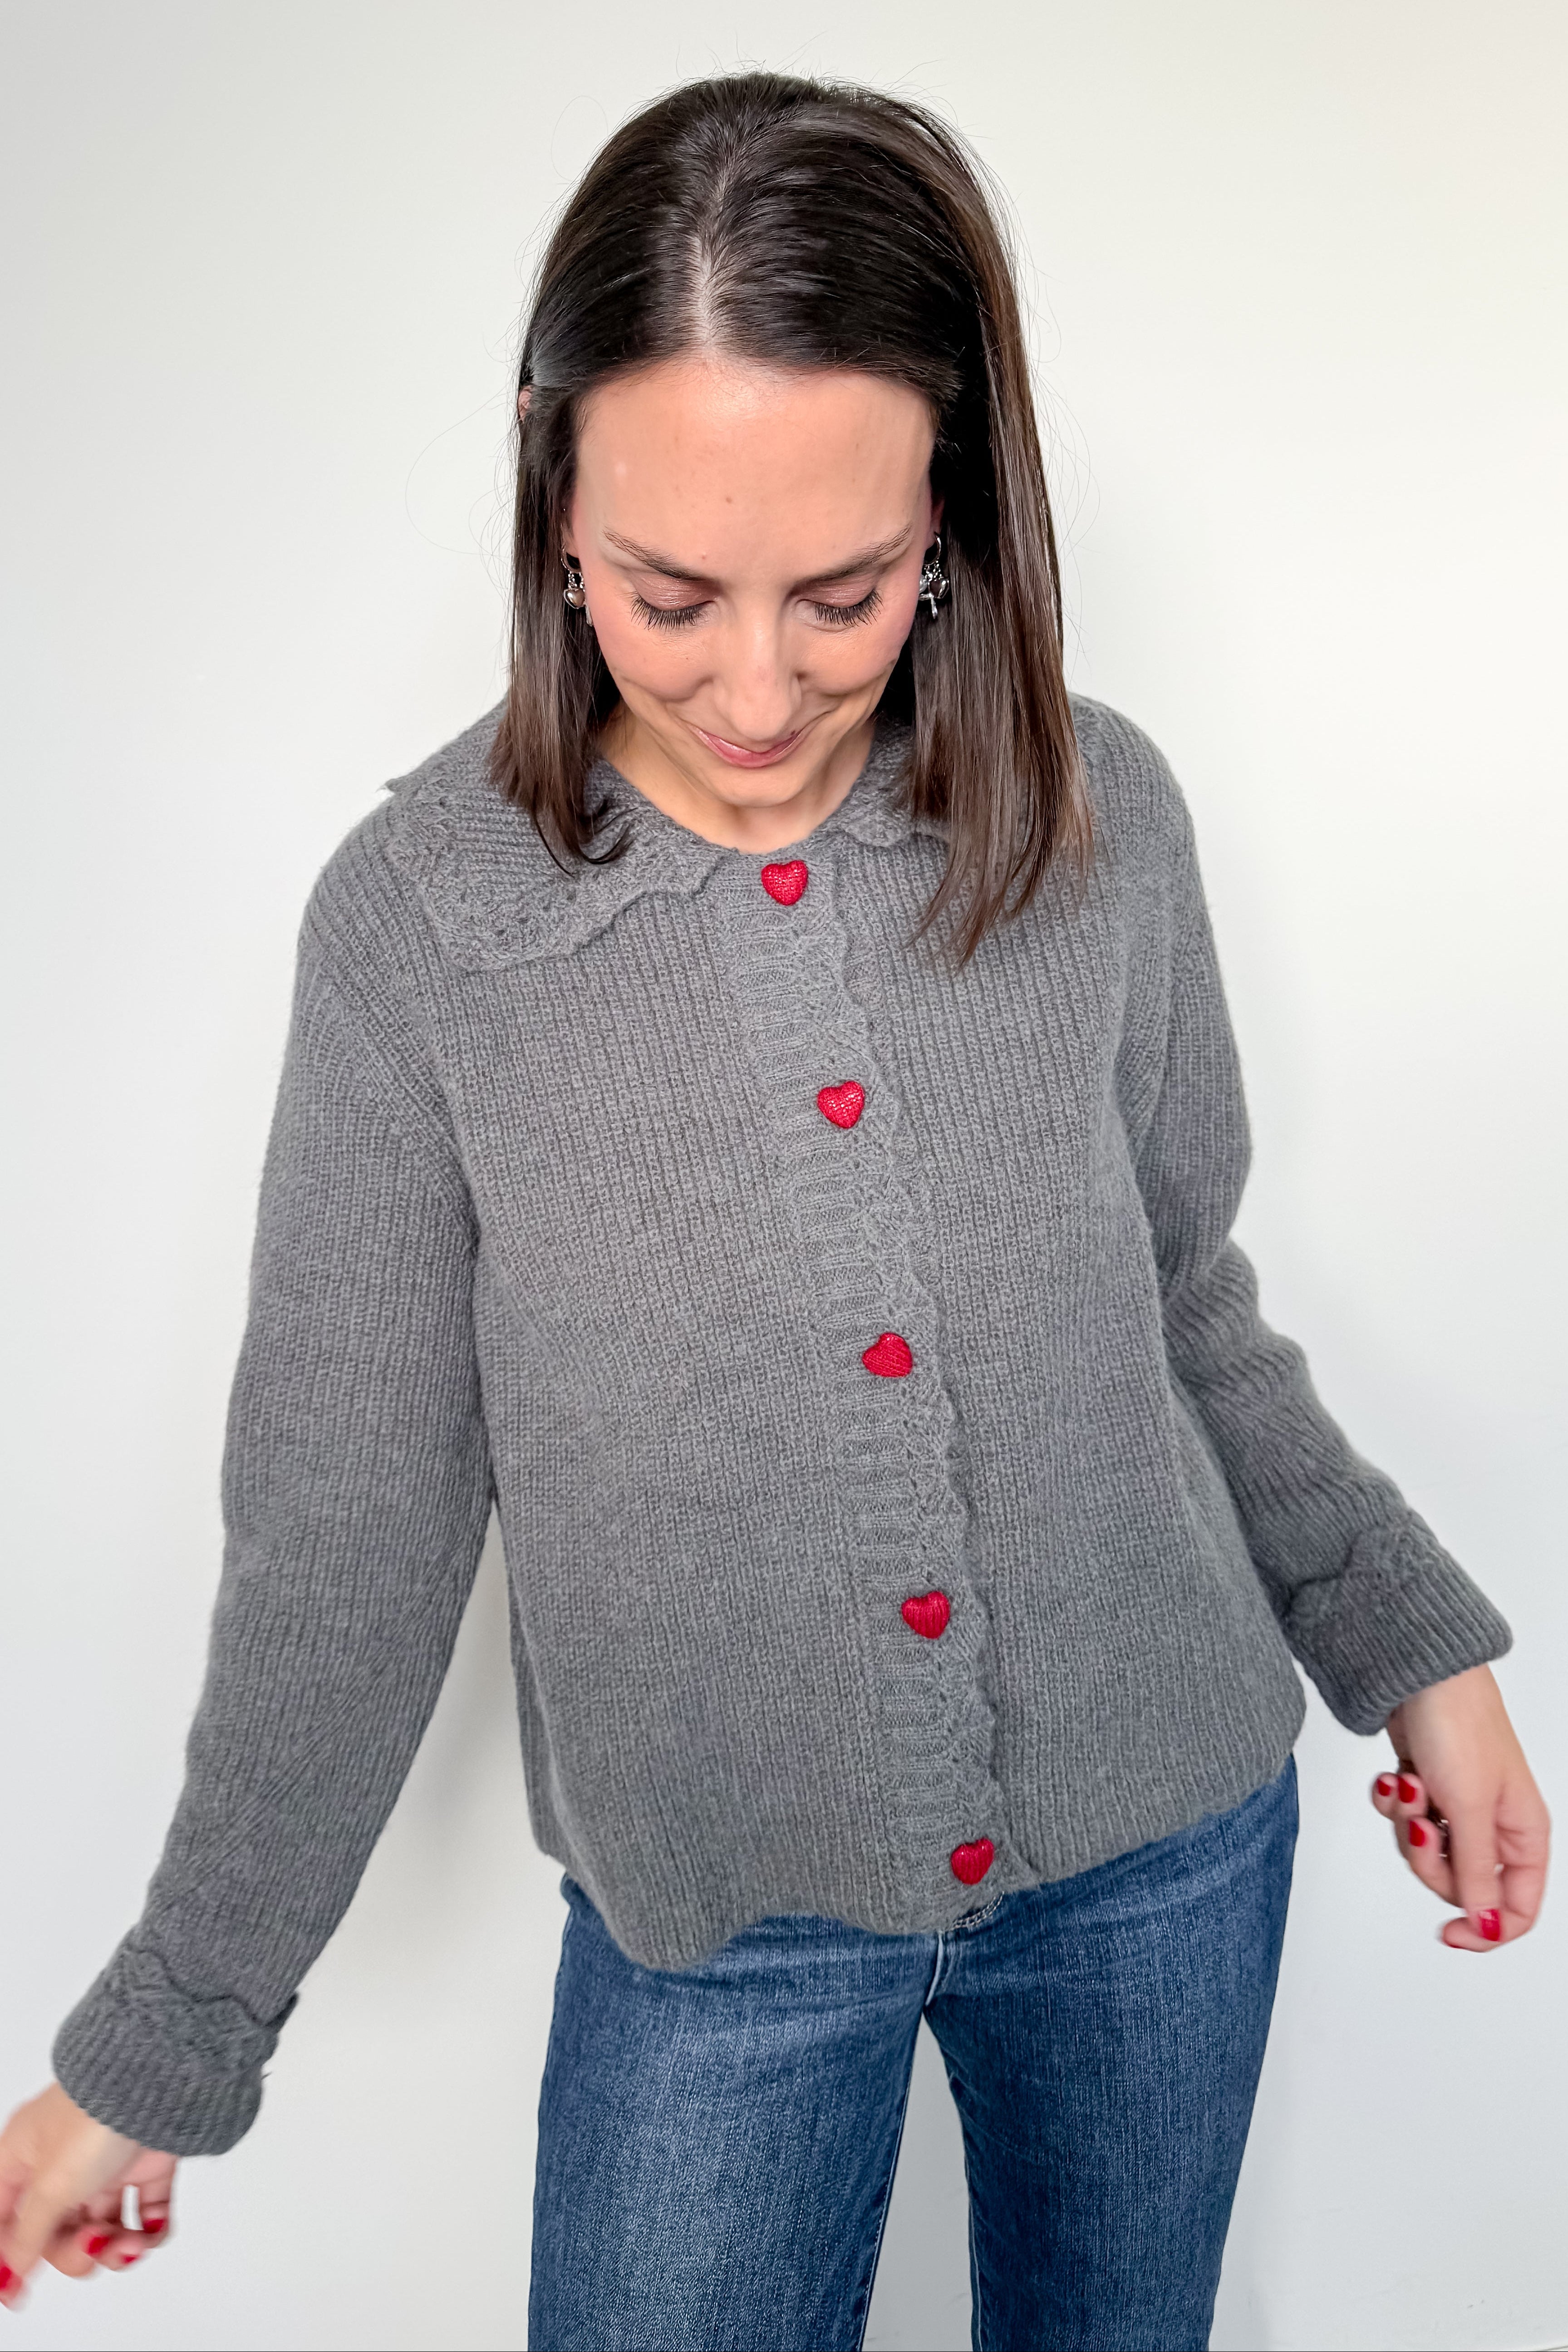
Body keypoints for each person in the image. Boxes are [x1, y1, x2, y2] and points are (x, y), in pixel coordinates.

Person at [0, 69, 1549, 2352]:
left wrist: (1411, 1644)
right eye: (666, 591)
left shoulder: (1101, 815)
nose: (756, 686)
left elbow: (1187, 1296)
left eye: (843, 591)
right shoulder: (423, 930)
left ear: (957, 513)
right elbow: (348, 1528)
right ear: (555, 508)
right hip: (716, 1941)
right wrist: (167, 2042)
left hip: (1168, 1861)